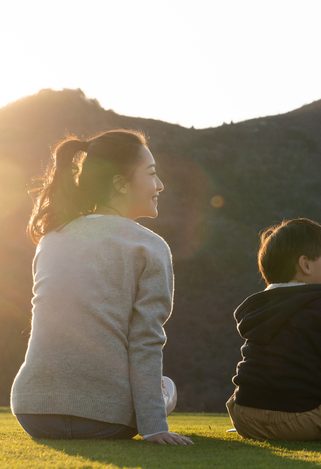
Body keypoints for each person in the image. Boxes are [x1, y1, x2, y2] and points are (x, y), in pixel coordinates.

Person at [10, 129, 192, 445]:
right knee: (166, 386)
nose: (159, 185)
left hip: (33, 414)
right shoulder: (149, 246)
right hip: (105, 422)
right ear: (120, 183)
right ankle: (158, 399)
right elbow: (145, 340)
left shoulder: (52, 238)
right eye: (151, 174)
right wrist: (154, 428)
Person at [226, 218, 321, 441]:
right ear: (306, 265)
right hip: (297, 422)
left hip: (245, 416)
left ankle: (266, 426)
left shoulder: (261, 308)